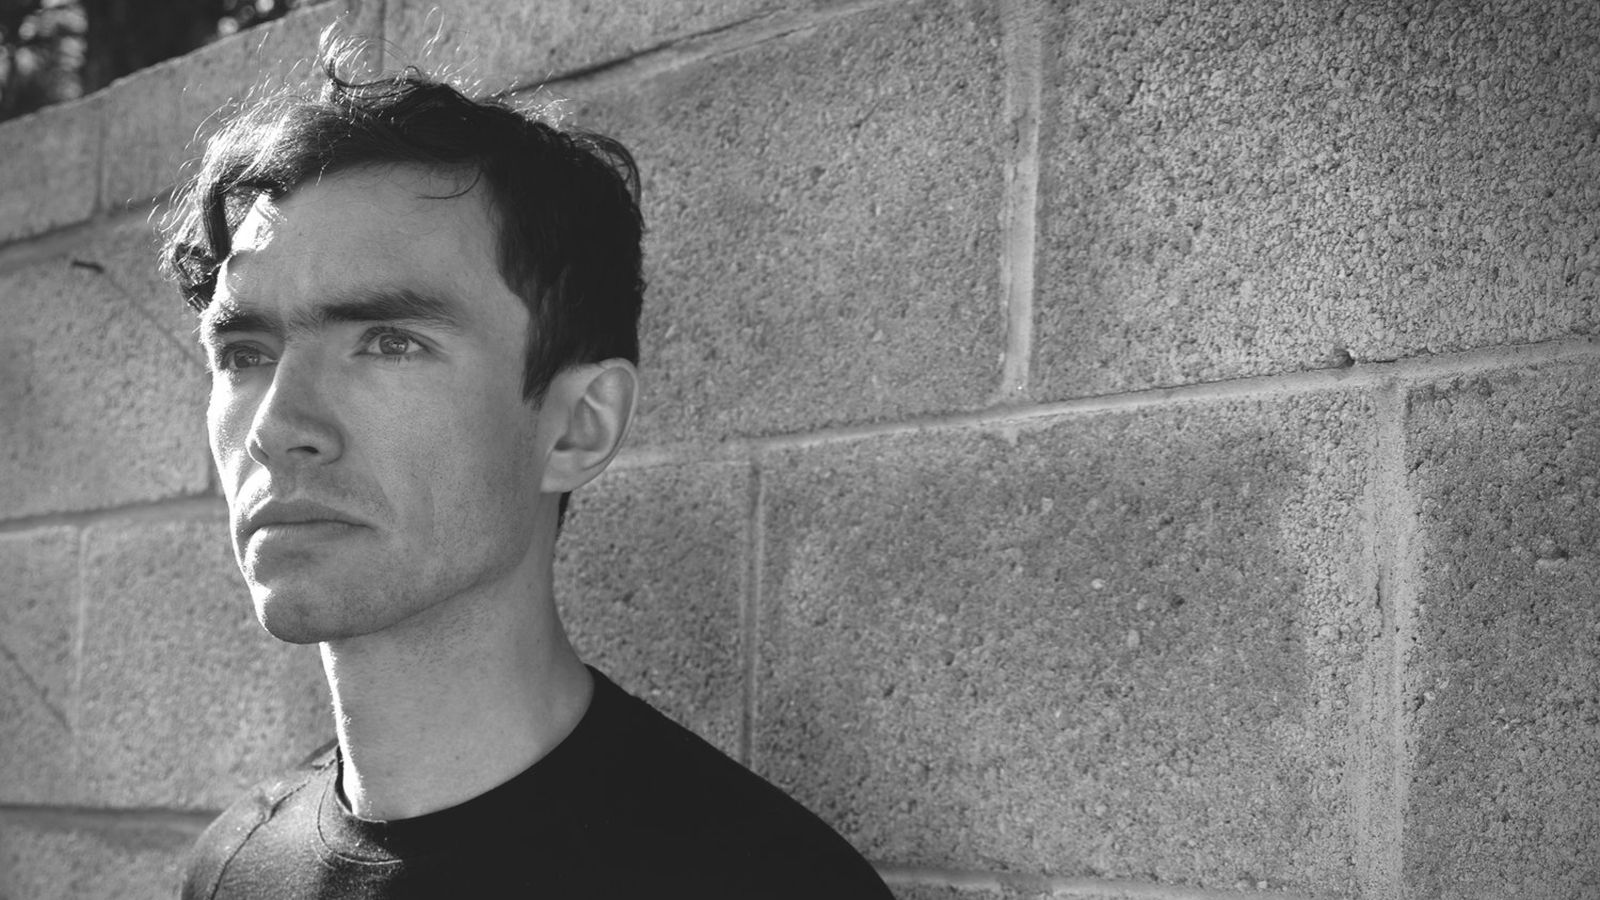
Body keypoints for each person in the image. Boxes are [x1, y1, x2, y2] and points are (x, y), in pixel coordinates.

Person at [160, 38, 894, 899]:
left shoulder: (763, 882)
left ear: (578, 427)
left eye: (389, 342)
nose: (278, 427)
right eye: (244, 353)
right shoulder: (232, 870)